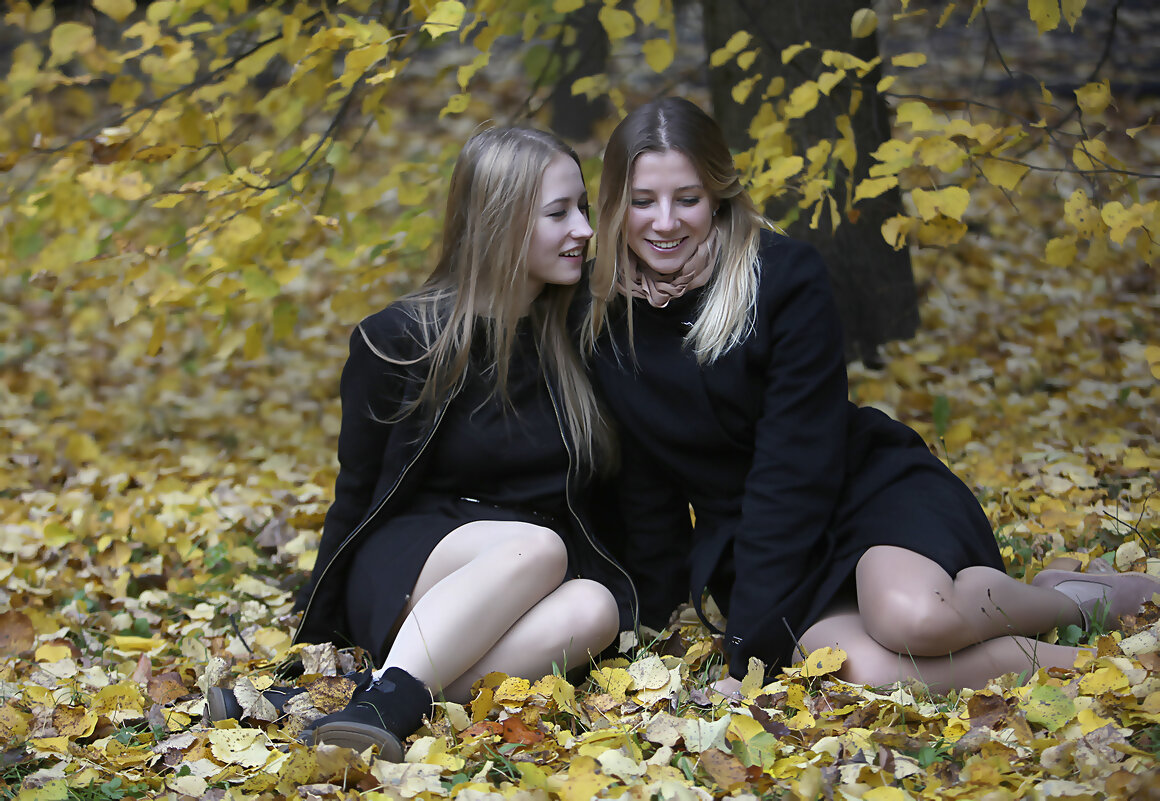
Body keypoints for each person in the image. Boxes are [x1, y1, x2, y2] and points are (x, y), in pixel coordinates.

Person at [584, 97, 1159, 694]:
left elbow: (795, 471)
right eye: (643, 202)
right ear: (615, 207)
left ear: (719, 198)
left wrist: (744, 659)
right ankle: (1100, 671)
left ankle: (1075, 603)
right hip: (755, 547)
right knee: (867, 669)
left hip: (861, 495)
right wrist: (649, 618)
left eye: (688, 199)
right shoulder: (603, 318)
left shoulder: (782, 278)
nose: (666, 222)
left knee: (917, 621)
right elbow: (645, 483)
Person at [210, 126, 636, 758]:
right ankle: (378, 692)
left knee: (595, 609)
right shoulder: (401, 340)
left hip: (531, 576)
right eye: (558, 213)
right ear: (499, 222)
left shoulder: (580, 331)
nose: (583, 229)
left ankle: (359, 699)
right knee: (538, 546)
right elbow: (355, 494)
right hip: (419, 557)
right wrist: (309, 636)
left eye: (581, 208)